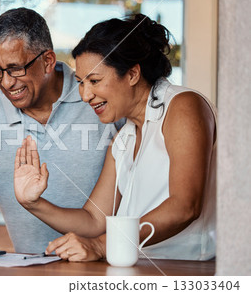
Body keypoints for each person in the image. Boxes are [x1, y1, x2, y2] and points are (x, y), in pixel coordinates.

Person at [14, 14, 216, 261]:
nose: (86, 95)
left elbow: (186, 206)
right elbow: (94, 219)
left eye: (95, 81)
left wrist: (101, 246)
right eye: (81, 82)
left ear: (132, 74)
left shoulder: (183, 106)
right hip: (136, 270)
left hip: (188, 270)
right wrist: (32, 202)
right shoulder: (122, 139)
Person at [0, 8, 123, 253]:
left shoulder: (98, 99)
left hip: (106, 264)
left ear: (47, 61)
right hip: (29, 269)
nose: (6, 82)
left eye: (16, 68)